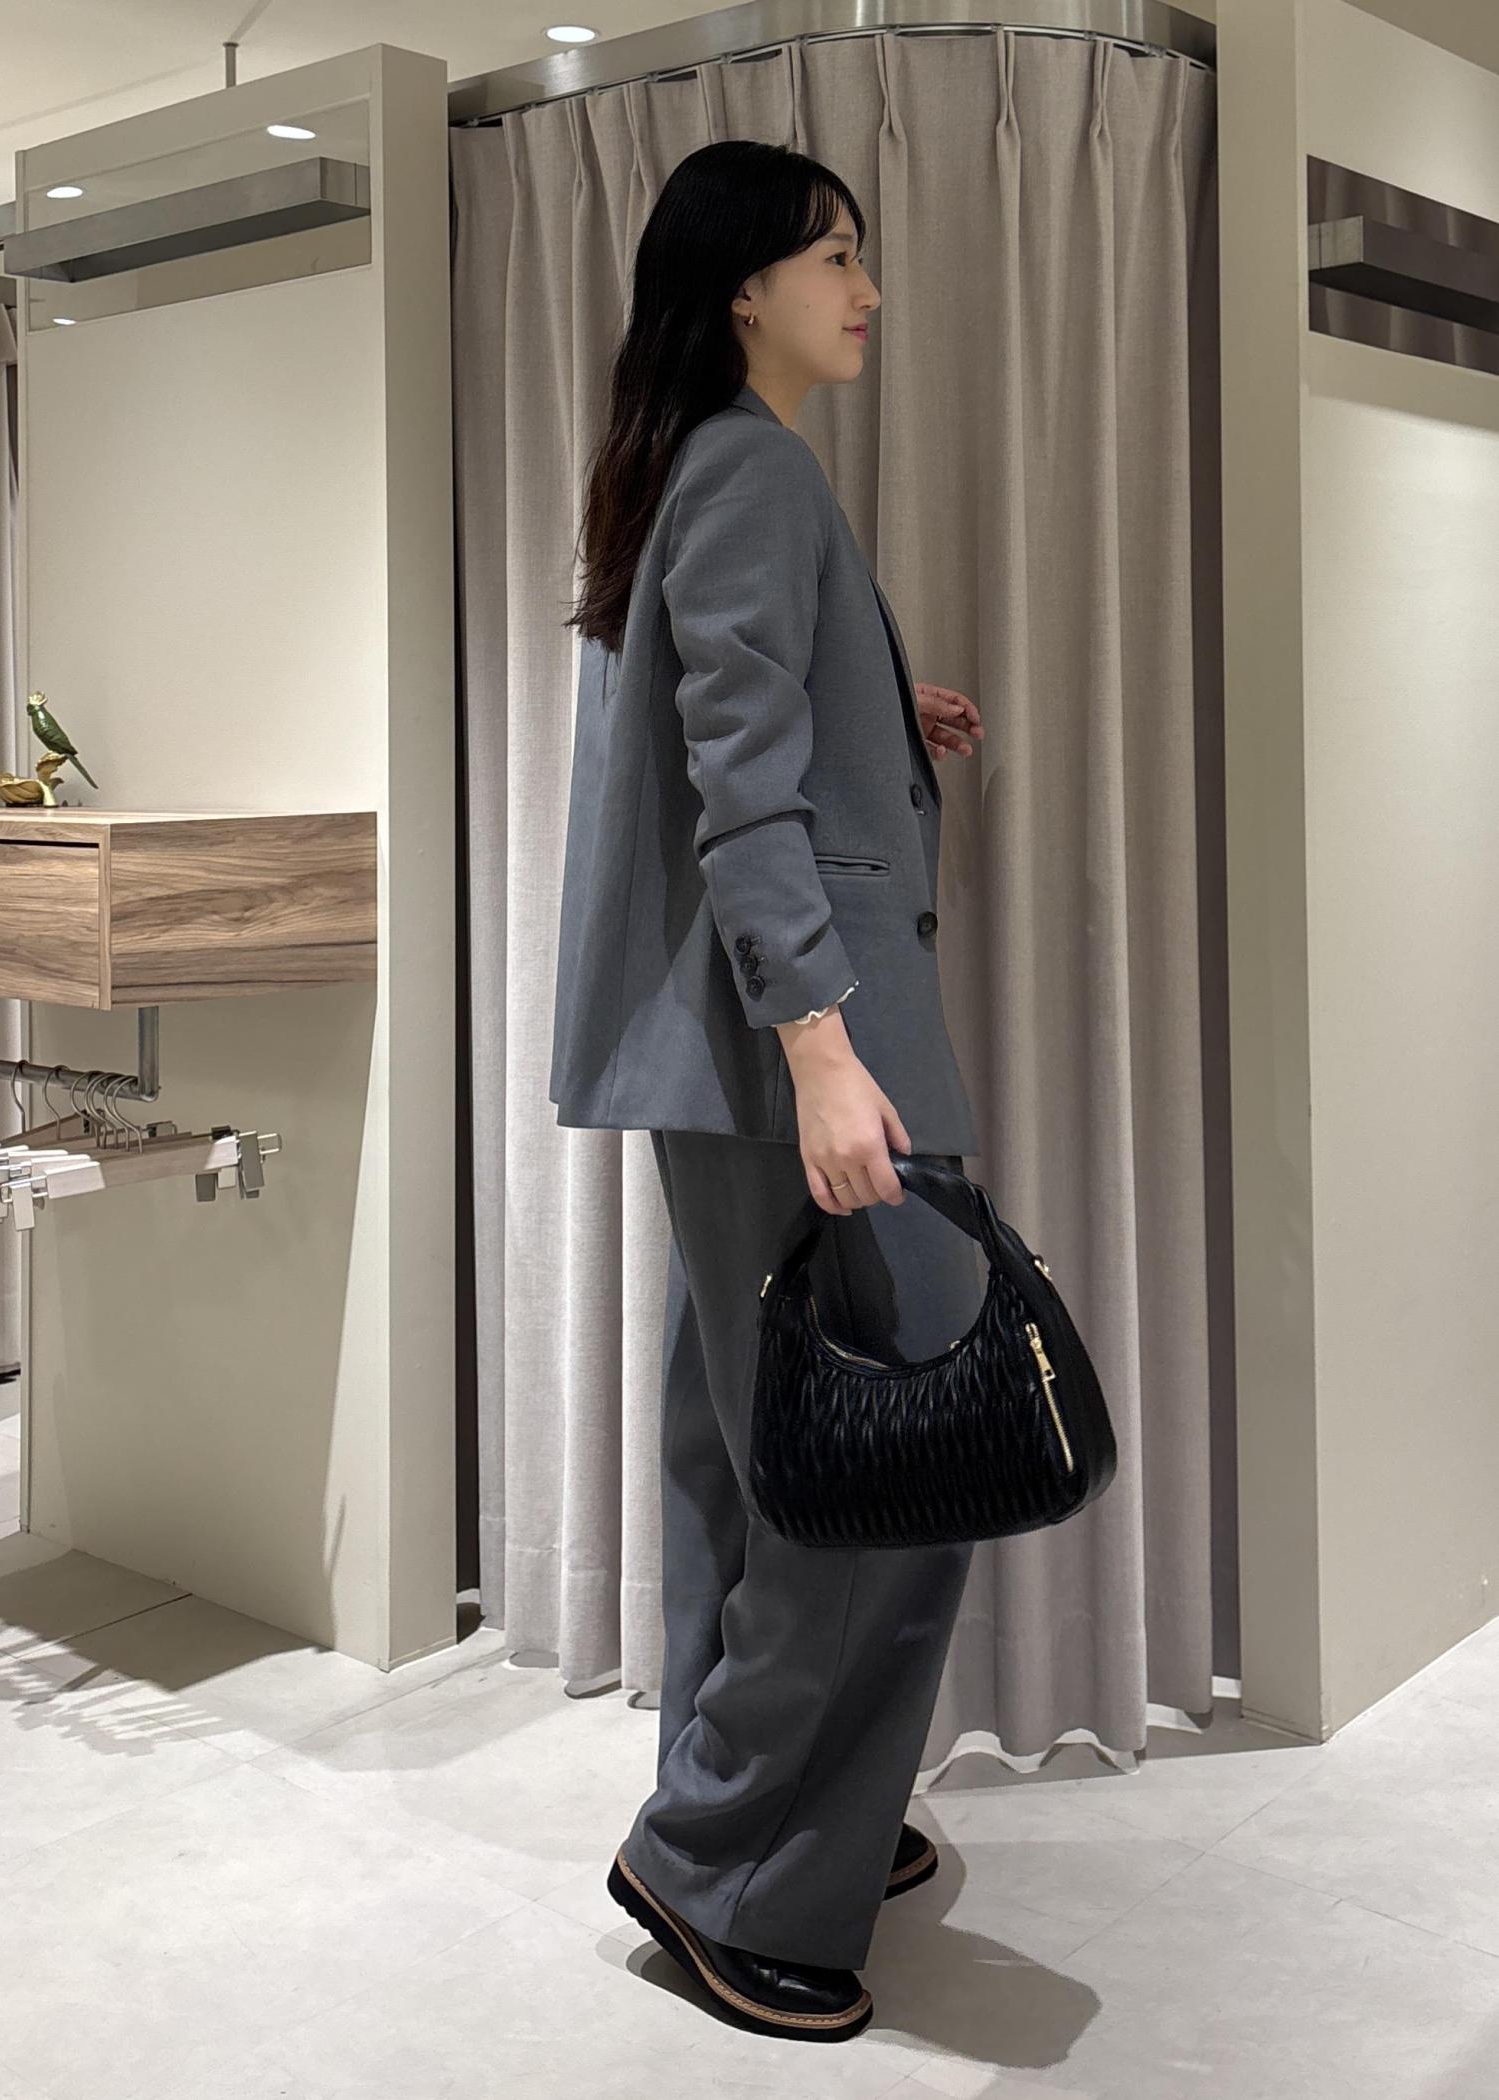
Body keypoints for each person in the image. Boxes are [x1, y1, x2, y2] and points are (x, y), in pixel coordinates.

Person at [549, 137, 986, 2044]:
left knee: (752, 1454)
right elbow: (736, 784)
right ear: (744, 287)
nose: (866, 291)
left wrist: (894, 710)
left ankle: (776, 1810)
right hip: (799, 1049)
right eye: (835, 259)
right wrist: (822, 1049)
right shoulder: (751, 466)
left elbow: (748, 725)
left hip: (736, 1055)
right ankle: (723, 1851)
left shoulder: (710, 465)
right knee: (885, 1459)